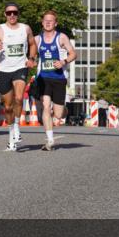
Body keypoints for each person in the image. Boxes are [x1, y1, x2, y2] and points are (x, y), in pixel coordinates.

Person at [0, 3, 36, 152]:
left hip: (20, 67)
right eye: (9, 13)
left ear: (18, 14)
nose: (12, 15)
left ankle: (18, 125)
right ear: (5, 15)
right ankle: (11, 138)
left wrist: (31, 58)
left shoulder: (25, 28)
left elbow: (32, 44)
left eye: (14, 12)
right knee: (7, 107)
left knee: (19, 98)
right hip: (5, 70)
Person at [32, 10, 77, 151]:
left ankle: (65, 110)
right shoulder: (37, 39)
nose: (48, 22)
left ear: (55, 23)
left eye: (51, 21)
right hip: (43, 78)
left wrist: (63, 61)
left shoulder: (61, 37)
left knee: (58, 114)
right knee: (46, 106)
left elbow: (74, 53)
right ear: (42, 22)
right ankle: (50, 140)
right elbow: (31, 55)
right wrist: (31, 61)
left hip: (59, 78)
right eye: (46, 20)